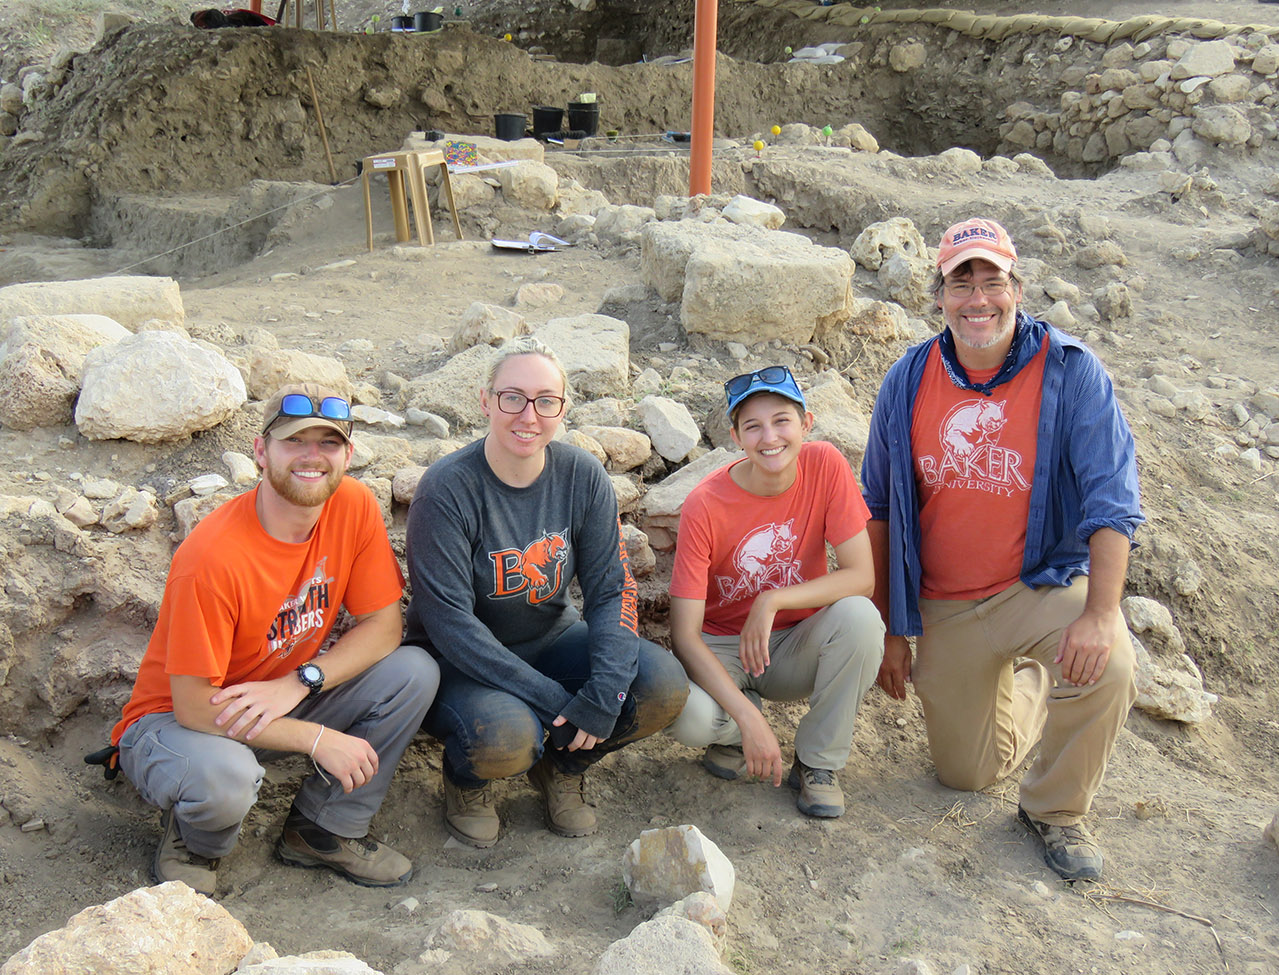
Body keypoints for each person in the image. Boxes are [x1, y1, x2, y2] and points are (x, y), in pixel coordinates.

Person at [861, 217, 1142, 881]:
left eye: (993, 281)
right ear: (939, 296)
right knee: (965, 772)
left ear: (1017, 287)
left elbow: (1112, 500)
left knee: (1109, 664)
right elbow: (875, 507)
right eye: (963, 283)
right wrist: (889, 628)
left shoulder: (1071, 372)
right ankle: (1035, 682)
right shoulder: (906, 381)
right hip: (946, 602)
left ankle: (1056, 809)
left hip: (1037, 581)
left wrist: (1100, 615)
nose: (978, 298)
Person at [109, 383, 440, 895]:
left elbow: (385, 626)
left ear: (348, 454)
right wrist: (317, 738)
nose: (313, 457)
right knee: (228, 777)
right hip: (181, 723)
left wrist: (301, 681)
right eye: (294, 442)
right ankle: (197, 844)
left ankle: (323, 830)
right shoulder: (212, 558)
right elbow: (196, 708)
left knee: (414, 672)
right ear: (262, 452)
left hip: (281, 696)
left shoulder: (351, 505)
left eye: (328, 444)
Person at [405, 336, 688, 848]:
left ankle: (563, 766)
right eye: (512, 397)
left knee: (660, 685)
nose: (527, 415)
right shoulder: (446, 490)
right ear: (487, 401)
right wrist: (556, 702)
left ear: (562, 409)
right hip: (458, 664)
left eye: (545, 401)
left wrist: (604, 692)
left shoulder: (582, 476)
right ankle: (468, 782)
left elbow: (611, 588)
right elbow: (450, 625)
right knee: (511, 735)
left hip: (551, 639)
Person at [667, 366, 885, 818]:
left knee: (861, 619)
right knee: (688, 717)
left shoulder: (825, 465)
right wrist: (751, 722)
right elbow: (684, 636)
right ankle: (737, 727)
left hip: (791, 645)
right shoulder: (704, 504)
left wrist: (772, 599)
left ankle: (816, 764)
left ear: (806, 424)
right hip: (722, 647)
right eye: (753, 426)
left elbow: (862, 576)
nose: (770, 437)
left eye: (782, 420)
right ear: (735, 437)